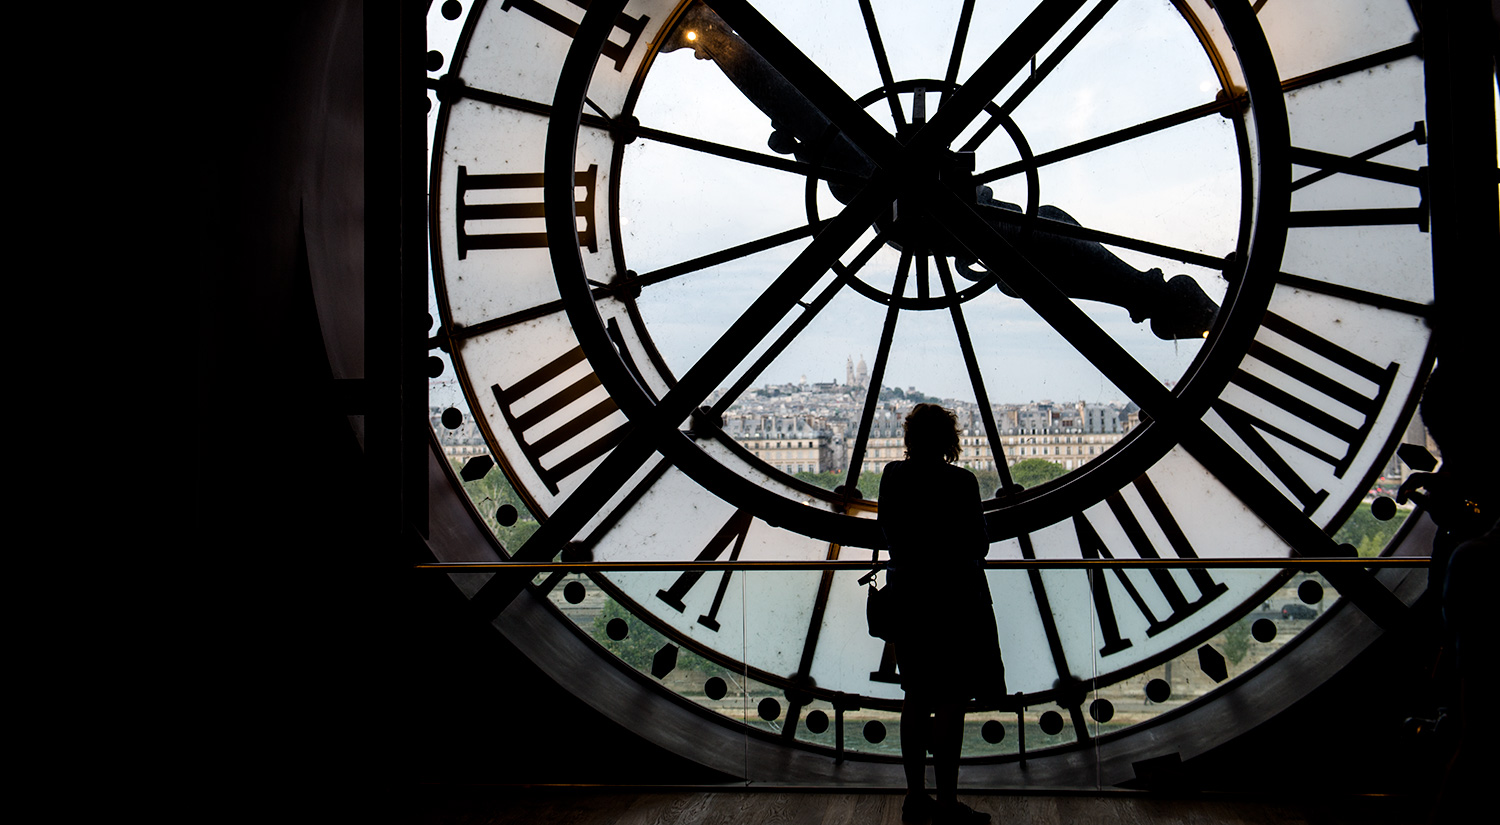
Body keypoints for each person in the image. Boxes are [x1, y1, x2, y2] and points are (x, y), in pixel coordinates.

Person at [878, 404, 1005, 825]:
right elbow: (978, 545)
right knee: (952, 698)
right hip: (956, 601)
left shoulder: (893, 476)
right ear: (949, 441)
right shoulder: (962, 482)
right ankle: (947, 801)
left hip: (909, 598)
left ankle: (915, 796)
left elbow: (888, 530)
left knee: (915, 695)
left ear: (909, 438)